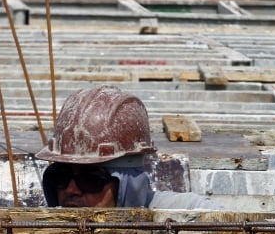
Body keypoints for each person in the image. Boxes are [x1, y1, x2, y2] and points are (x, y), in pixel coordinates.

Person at [35, 85, 221, 210]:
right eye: (59, 177)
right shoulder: (34, 229)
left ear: (129, 185)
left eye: (90, 180)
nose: (71, 190)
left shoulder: (184, 212)